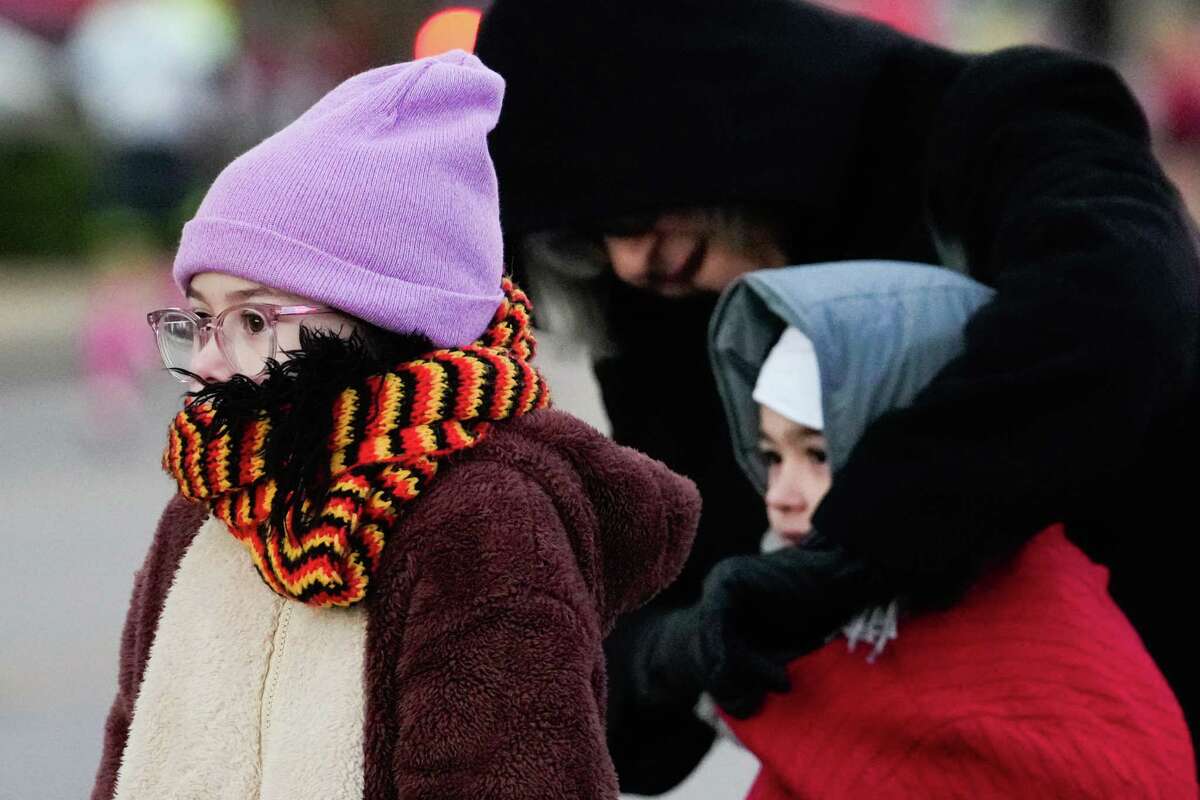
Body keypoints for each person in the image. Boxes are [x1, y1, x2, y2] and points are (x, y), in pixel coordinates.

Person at [474, 0, 1200, 790]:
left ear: (707, 116)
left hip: (1131, 704)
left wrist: (860, 545)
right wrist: (676, 651)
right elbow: (674, 586)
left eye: (634, 208)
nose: (629, 261)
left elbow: (1120, 313)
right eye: (588, 236)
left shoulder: (998, 121)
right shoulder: (674, 308)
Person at [90, 51, 701, 800]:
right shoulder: (213, 498)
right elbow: (130, 750)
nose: (211, 365)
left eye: (251, 317)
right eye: (200, 319)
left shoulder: (482, 521)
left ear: (386, 317)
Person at [707, 261, 1196, 798]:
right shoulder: (846, 634)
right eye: (773, 456)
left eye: (819, 454)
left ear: (909, 442)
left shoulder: (1034, 647)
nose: (780, 496)